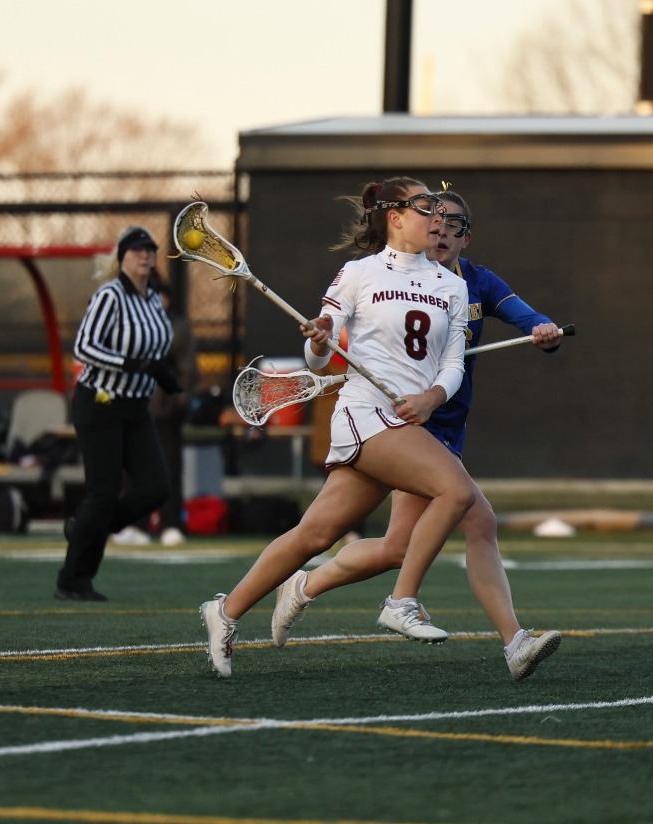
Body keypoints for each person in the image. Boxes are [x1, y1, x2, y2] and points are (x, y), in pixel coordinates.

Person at [271, 189, 565, 680]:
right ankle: (513, 642)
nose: (442, 229)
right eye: (434, 218)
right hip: (401, 429)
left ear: (466, 237)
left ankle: (302, 587)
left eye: (454, 224)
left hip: (442, 428)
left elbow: (528, 317)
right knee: (477, 520)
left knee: (395, 548)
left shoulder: (474, 283)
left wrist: (544, 330)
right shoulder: (393, 278)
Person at [201, 176, 476, 677]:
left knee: (314, 535)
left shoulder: (452, 285)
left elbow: (453, 363)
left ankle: (225, 611)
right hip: (365, 414)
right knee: (457, 491)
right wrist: (323, 340)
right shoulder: (358, 274)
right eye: (425, 207)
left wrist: (433, 398)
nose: (436, 216)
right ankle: (401, 603)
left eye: (439, 208)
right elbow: (316, 352)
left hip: (410, 421)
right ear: (395, 216)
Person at [56, 226, 180, 601]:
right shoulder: (110, 295)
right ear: (121, 257)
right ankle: (73, 579)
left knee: (156, 487)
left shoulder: (154, 299)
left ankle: (84, 528)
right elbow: (83, 347)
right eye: (137, 250)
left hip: (136, 407)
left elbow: (154, 349)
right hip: (101, 403)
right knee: (104, 492)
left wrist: (163, 372)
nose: (145, 255)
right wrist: (130, 363)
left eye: (150, 250)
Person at [115, 273, 198, 547]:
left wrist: (179, 400)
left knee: (169, 467)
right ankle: (136, 524)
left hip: (165, 410)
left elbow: (186, 370)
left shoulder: (178, 328)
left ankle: (170, 524)